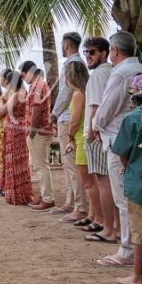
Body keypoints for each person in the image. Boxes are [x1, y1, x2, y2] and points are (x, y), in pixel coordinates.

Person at [92, 31, 142, 264]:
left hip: (119, 138)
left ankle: (127, 249)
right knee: (138, 195)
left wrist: (96, 125)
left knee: (124, 197)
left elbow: (107, 108)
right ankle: (140, 245)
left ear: (114, 51)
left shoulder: (120, 73)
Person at [112, 73, 142, 284]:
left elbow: (122, 151)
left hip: (138, 178)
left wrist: (126, 165)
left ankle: (137, 276)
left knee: (140, 230)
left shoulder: (132, 118)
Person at [80, 37, 116, 237]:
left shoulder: (98, 75)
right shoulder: (113, 71)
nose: (88, 56)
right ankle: (114, 226)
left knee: (103, 181)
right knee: (110, 181)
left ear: (104, 53)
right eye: (86, 52)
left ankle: (106, 225)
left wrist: (91, 133)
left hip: (97, 134)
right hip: (108, 132)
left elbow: (95, 106)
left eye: (92, 52)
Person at [52, 32, 87, 217]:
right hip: (71, 115)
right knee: (69, 165)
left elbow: (64, 93)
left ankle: (79, 206)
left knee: (71, 164)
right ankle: (70, 201)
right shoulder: (80, 63)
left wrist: (54, 113)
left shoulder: (71, 65)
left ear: (66, 45)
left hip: (68, 117)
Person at [0, 69, 33, 205]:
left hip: (15, 130)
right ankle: (19, 192)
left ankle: (18, 194)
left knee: (15, 162)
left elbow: (2, 110)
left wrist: (1, 100)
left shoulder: (17, 94)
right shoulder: (22, 93)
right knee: (17, 162)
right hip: (17, 129)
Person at [20, 61, 54, 211]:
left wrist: (32, 132)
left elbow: (36, 112)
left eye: (23, 75)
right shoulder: (39, 84)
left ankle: (48, 198)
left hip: (39, 131)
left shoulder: (37, 86)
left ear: (29, 72)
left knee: (41, 166)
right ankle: (44, 195)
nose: (23, 79)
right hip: (42, 130)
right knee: (40, 166)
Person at [62, 61, 93, 223]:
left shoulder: (78, 94)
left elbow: (74, 121)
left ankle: (84, 211)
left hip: (80, 138)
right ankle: (92, 214)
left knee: (87, 182)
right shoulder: (86, 91)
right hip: (83, 137)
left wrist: (69, 138)